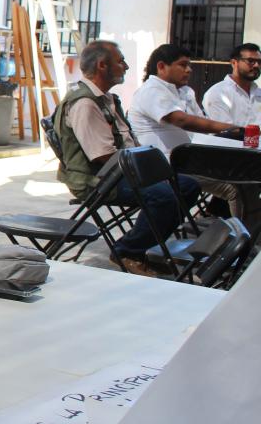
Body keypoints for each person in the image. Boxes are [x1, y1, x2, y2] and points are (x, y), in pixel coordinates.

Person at [53, 41, 199, 276]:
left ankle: (147, 246)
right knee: (163, 196)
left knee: (188, 186)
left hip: (121, 171)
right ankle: (128, 250)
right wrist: (150, 170)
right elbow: (103, 156)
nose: (126, 66)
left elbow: (125, 144)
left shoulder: (106, 98)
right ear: (102, 65)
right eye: (120, 61)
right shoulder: (85, 103)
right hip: (98, 180)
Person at [128, 43, 257, 229]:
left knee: (249, 176)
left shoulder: (185, 91)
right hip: (166, 166)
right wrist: (235, 128)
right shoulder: (151, 91)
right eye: (182, 65)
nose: (189, 70)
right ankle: (244, 240)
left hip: (193, 160)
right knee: (237, 187)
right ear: (161, 66)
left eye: (189, 65)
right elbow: (183, 121)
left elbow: (201, 123)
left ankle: (247, 233)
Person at [202, 43, 261, 126]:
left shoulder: (259, 93)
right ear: (234, 63)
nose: (256, 65)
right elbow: (224, 131)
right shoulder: (218, 93)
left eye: (259, 62)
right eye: (250, 61)